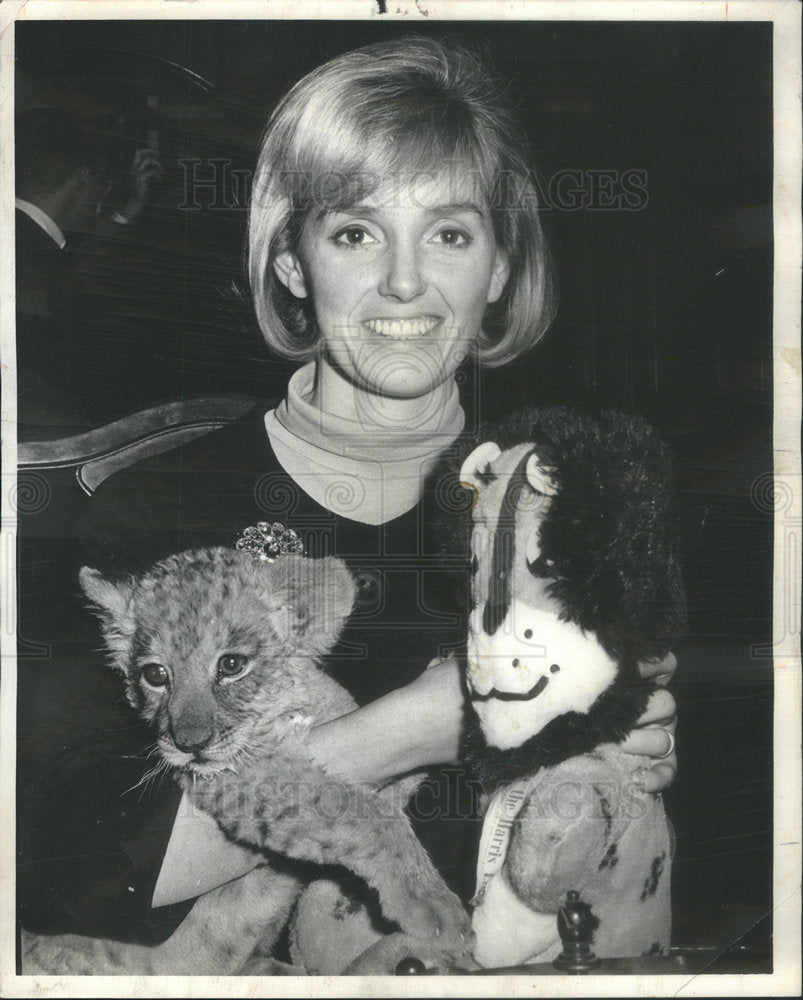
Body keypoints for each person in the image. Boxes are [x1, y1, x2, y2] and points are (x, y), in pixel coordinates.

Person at [17, 36, 677, 969]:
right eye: (355, 233)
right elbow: (72, 863)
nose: (404, 282)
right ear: (292, 263)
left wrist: (626, 737)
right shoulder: (154, 512)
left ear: (498, 267)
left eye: (449, 234)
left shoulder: (559, 497)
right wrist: (408, 728)